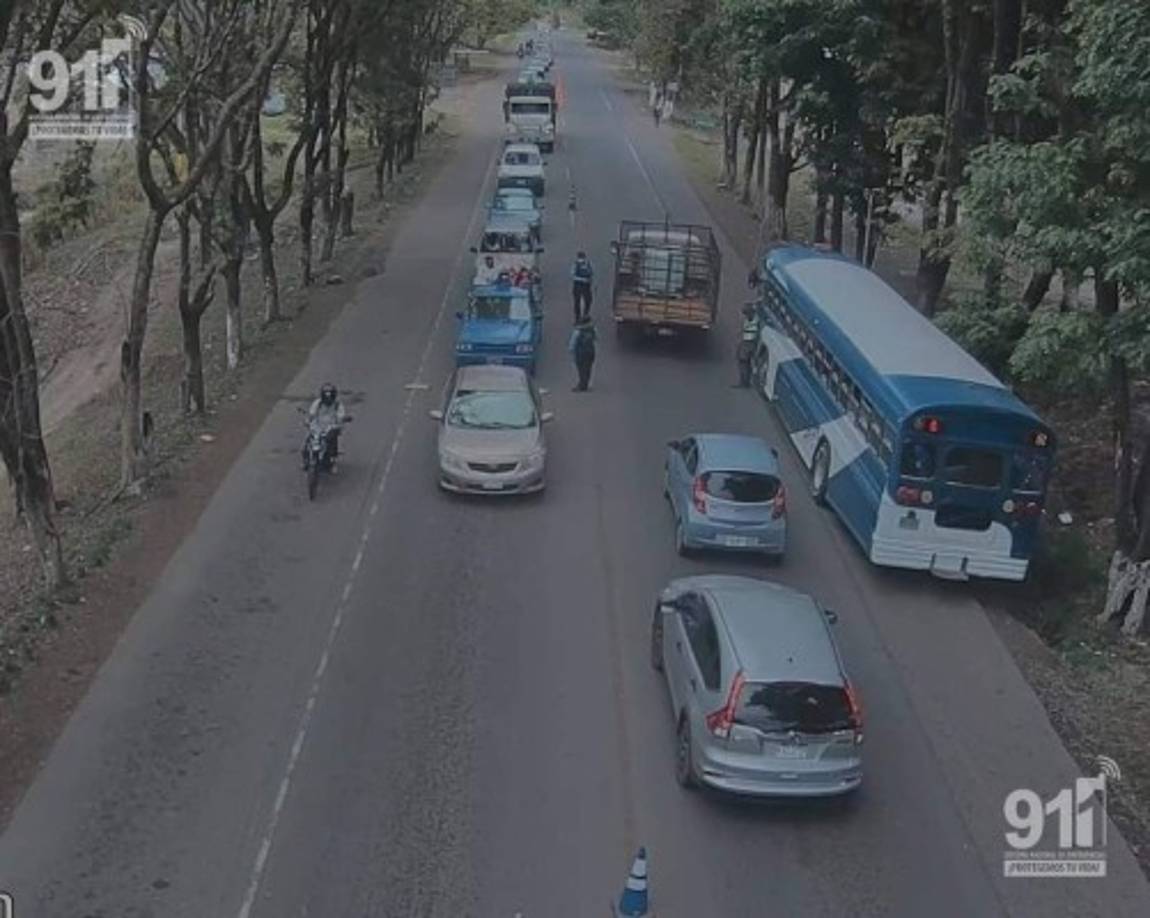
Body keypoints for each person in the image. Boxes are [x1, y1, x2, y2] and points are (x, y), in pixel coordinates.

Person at [304, 383, 348, 470]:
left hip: (331, 427)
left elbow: (341, 416)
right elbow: (311, 414)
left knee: (331, 441)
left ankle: (332, 460)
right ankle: (306, 459)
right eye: (326, 397)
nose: (328, 400)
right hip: (318, 427)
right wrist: (308, 421)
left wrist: (341, 421)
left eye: (330, 397)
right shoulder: (318, 403)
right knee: (308, 440)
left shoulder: (338, 405)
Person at [735, 302, 760, 387]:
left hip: (747, 343)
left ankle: (744, 382)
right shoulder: (756, 318)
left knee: (743, 362)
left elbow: (744, 329)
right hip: (751, 342)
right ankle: (747, 381)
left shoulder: (750, 320)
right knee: (747, 362)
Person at [569, 317, 597, 391]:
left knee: (581, 370)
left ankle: (582, 385)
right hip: (590, 352)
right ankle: (585, 384)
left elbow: (572, 343)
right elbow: (595, 338)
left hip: (580, 353)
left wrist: (571, 351)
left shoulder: (577, 331)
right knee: (588, 369)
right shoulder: (592, 329)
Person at [571, 250, 593, 322]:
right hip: (579, 285)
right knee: (578, 301)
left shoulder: (587, 264)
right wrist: (584, 279)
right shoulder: (576, 265)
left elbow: (591, 273)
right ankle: (578, 317)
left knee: (588, 300)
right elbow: (573, 275)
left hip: (584, 286)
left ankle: (585, 315)